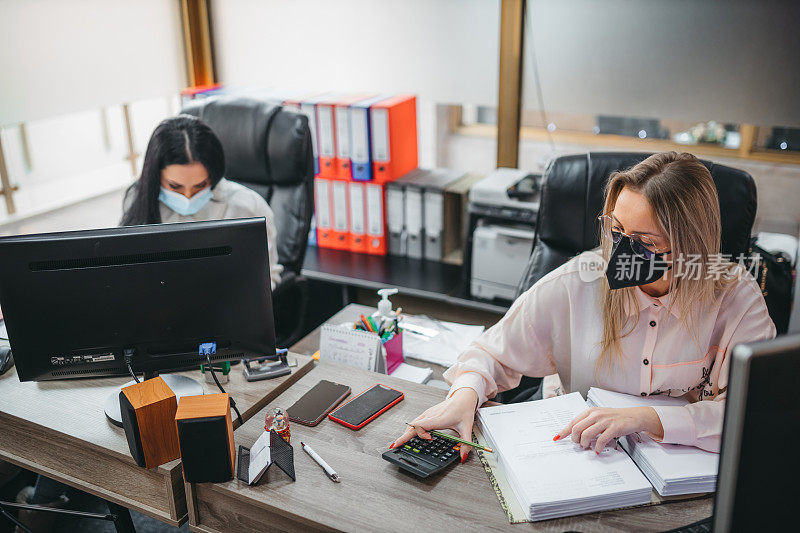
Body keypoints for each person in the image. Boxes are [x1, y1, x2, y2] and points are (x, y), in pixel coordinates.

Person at [393, 152, 775, 461]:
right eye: (617, 230)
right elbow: (489, 353)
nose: (621, 251)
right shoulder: (579, 281)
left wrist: (649, 418)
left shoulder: (735, 298)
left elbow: (754, 415)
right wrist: (464, 395)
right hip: (579, 453)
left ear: (692, 246)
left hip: (678, 465)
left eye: (644, 241)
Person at [120, 115, 283, 289]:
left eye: (200, 186)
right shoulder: (139, 199)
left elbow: (267, 278)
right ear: (155, 176)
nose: (188, 197)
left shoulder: (248, 207)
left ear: (213, 176)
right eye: (175, 187)